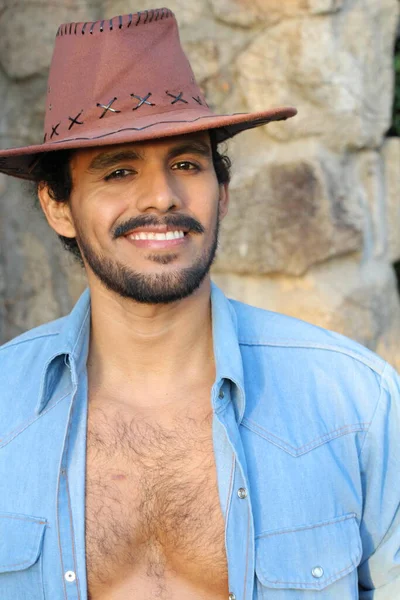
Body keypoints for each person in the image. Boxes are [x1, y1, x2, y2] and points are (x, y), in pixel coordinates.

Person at [0, 7, 398, 600]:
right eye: (118, 171)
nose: (161, 197)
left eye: (187, 163)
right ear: (59, 206)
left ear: (223, 191)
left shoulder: (353, 401)